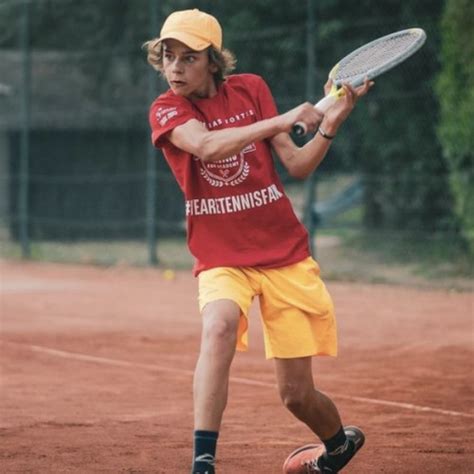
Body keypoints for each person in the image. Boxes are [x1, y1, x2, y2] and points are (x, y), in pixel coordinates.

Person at [144, 9, 373, 474]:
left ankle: (337, 446)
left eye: (188, 58)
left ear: (213, 60)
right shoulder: (167, 109)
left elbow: (299, 165)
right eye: (168, 56)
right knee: (219, 325)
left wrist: (333, 121)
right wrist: (280, 121)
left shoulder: (251, 89)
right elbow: (208, 146)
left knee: (296, 395)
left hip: (285, 256)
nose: (175, 68)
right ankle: (203, 465)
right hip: (221, 258)